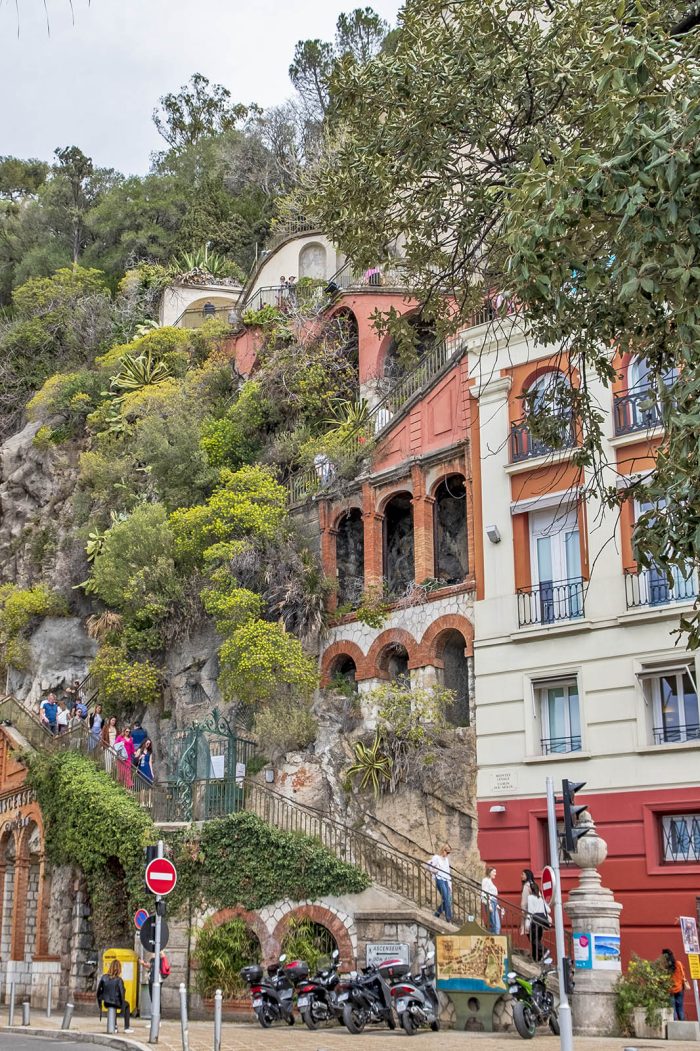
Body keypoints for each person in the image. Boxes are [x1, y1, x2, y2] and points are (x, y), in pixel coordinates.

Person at [96, 959, 133, 1033]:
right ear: (119, 969)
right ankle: (127, 1027)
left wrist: (100, 1002)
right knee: (127, 1005)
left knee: (113, 1006)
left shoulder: (104, 977)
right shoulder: (119, 980)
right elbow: (122, 994)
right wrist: (122, 1008)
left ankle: (115, 1026)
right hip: (116, 1002)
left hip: (106, 1002)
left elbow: (98, 991)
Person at [524, 872, 550, 962]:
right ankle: (537, 959)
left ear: (531, 890)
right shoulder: (540, 898)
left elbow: (530, 911)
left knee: (533, 939)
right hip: (542, 920)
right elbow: (548, 910)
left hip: (535, 920)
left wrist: (527, 924)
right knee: (537, 939)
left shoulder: (530, 898)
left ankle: (545, 951)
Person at [427, 845, 453, 923]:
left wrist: (450, 885)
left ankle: (437, 913)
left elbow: (448, 873)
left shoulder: (447, 860)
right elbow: (430, 866)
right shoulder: (436, 857)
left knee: (448, 899)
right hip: (439, 879)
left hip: (446, 880)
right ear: (443, 850)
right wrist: (434, 870)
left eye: (448, 853)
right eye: (447, 852)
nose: (447, 854)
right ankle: (449, 918)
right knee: (446, 899)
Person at [663, 948, 690, 1020]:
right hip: (680, 988)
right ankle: (683, 1025)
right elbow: (683, 974)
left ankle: (675, 1026)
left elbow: (664, 979)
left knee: (673, 1008)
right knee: (680, 1007)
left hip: (671, 990)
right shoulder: (679, 964)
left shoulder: (665, 967)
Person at [481, 865, 503, 935]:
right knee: (495, 924)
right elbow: (484, 893)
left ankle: (494, 937)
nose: (495, 874)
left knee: (496, 924)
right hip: (490, 902)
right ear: (489, 872)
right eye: (494, 872)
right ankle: (495, 939)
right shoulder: (485, 880)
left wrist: (498, 906)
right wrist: (489, 904)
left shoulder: (489, 881)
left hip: (494, 903)